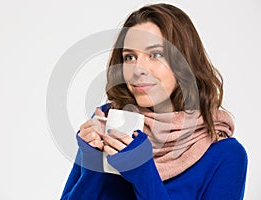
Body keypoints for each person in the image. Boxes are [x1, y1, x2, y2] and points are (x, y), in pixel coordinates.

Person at [60, 3, 247, 200]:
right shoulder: (108, 124)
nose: (138, 69)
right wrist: (93, 167)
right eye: (130, 57)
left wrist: (142, 171)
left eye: (155, 54)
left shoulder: (226, 155)